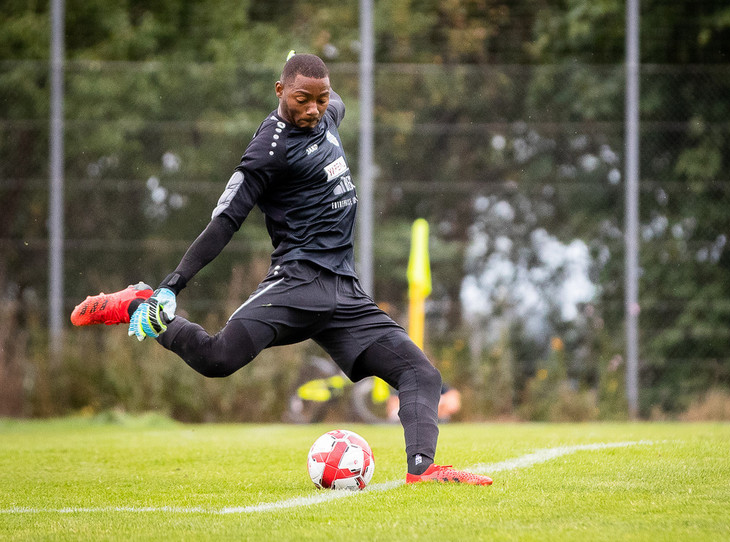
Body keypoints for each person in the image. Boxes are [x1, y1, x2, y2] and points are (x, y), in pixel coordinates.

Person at [71, 53, 491, 486]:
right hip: (298, 282)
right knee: (218, 358)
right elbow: (225, 221)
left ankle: (423, 470)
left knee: (420, 373)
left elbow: (322, 91)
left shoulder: (328, 113)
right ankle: (141, 302)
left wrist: (309, 75)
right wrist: (171, 285)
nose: (312, 108)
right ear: (279, 91)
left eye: (321, 98)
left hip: (344, 291)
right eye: (301, 99)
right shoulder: (267, 150)